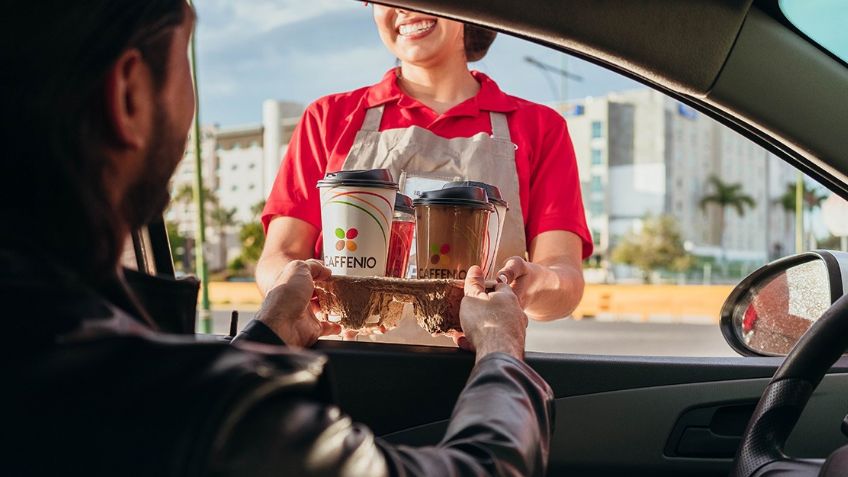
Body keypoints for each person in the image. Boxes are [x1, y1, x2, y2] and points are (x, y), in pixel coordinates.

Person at [0, 1, 553, 476]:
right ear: (129, 96)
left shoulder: (58, 350)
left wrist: (270, 330)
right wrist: (502, 348)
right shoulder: (219, 411)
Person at [257, 6, 593, 328]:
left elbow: (564, 280)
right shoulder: (328, 118)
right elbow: (279, 257)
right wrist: (298, 291)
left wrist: (532, 284)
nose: (403, 7)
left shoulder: (541, 128)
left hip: (480, 365)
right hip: (345, 361)